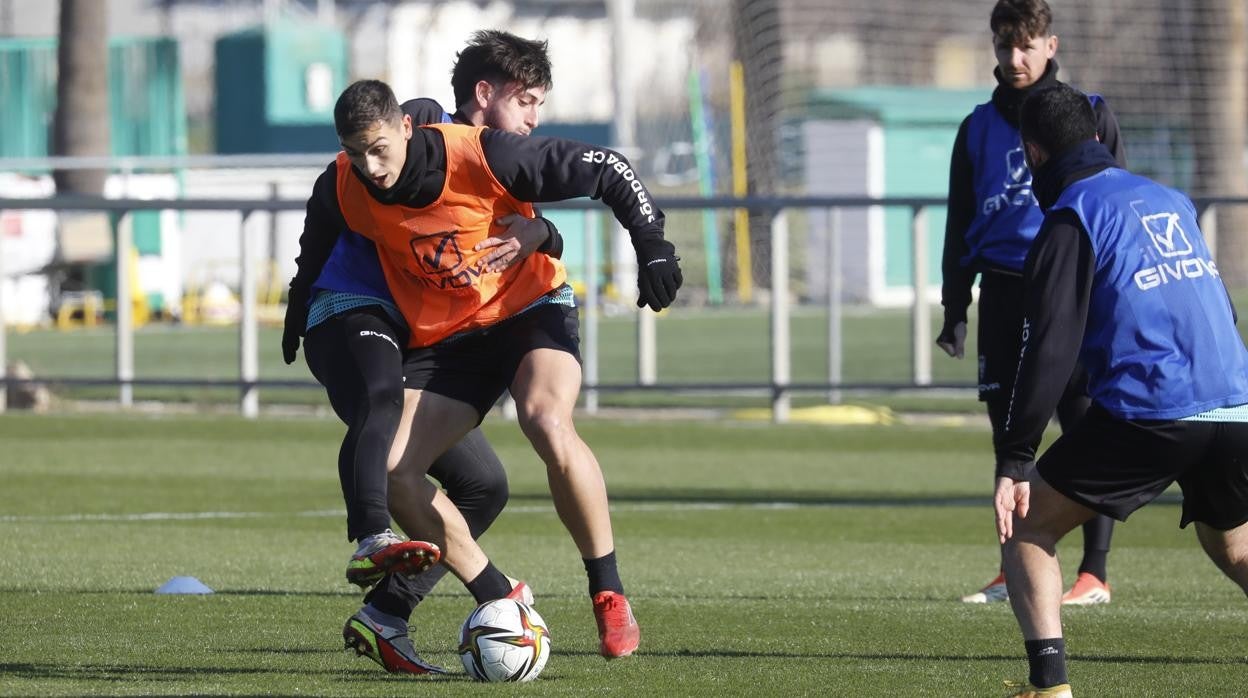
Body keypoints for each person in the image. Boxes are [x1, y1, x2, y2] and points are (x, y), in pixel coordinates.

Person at [311, 78, 680, 660]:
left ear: (407, 129)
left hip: (530, 309)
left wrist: (652, 243)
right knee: (394, 471)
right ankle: (493, 597)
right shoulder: (348, 181)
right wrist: (297, 304)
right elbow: (320, 224)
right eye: (357, 152)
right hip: (454, 337)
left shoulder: (486, 152)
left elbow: (608, 166)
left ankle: (608, 592)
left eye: (379, 148)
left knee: (544, 418)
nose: (370, 166)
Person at [993, 82, 1248, 697]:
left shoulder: (1071, 216)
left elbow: (1048, 343)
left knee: (1026, 528)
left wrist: (1016, 456)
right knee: (1236, 549)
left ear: (1033, 153)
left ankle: (1049, 687)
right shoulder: (1169, 198)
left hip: (1153, 411)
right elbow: (1218, 308)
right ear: (1097, 135)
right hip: (1236, 402)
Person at [325, 31, 562, 674]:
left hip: (405, 337)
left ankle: (384, 616)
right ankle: (477, 586)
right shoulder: (412, 134)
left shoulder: (471, 163)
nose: (532, 120)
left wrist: (542, 231)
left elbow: (519, 229)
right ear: (483, 99)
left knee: (483, 486)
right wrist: (304, 299)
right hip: (356, 321)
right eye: (526, 103)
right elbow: (332, 197)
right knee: (383, 420)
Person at [937, 0, 1124, 605]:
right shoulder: (976, 127)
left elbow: (1114, 203)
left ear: (1051, 44)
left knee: (1085, 424)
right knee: (1010, 434)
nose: (1014, 59)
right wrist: (955, 305)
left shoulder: (1089, 113)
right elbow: (960, 219)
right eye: (1003, 46)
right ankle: (1011, 565)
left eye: (1026, 45)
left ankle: (1093, 573)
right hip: (1005, 289)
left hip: (1072, 287)